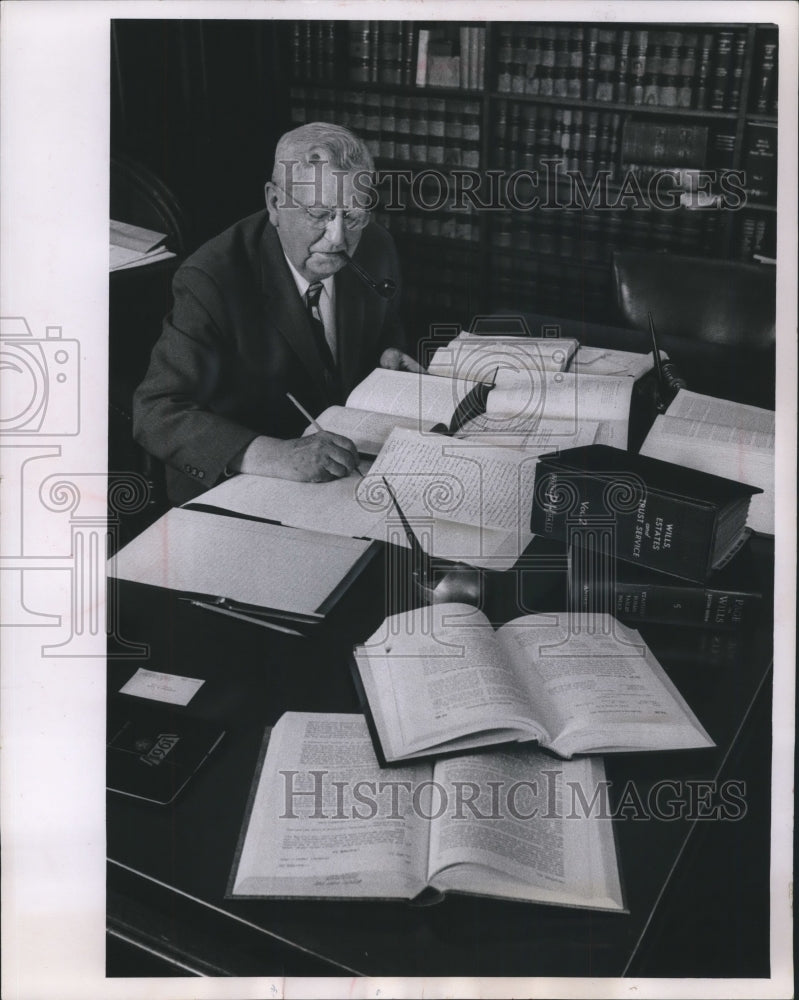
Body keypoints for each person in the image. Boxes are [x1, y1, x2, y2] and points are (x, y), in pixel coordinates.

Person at [133, 122, 419, 504]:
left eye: (352, 216)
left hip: (346, 477)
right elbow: (156, 412)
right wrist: (273, 455)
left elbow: (385, 328)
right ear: (274, 203)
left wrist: (387, 354)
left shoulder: (375, 247)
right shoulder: (213, 279)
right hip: (248, 485)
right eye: (319, 214)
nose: (338, 238)